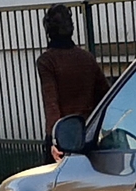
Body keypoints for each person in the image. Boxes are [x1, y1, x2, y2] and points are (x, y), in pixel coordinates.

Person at [36, 5, 106, 142]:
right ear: (71, 28)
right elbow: (104, 93)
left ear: (48, 29)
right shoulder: (87, 58)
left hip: (64, 131)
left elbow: (51, 103)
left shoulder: (47, 61)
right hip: (89, 129)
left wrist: (53, 137)